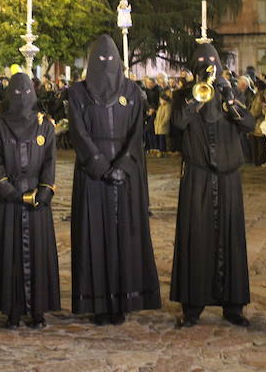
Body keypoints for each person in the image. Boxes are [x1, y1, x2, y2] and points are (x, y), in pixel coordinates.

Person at [67, 35, 160, 325]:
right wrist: (98, 164)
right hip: (92, 175)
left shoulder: (132, 91)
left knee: (125, 235)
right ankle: (97, 303)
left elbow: (137, 133)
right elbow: (78, 132)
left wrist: (123, 165)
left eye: (110, 59)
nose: (106, 65)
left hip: (125, 175)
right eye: (101, 60)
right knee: (94, 235)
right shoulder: (78, 93)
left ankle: (123, 300)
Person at [170, 43, 255, 328]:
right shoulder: (183, 95)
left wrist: (230, 99)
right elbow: (178, 124)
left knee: (231, 239)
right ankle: (192, 307)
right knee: (196, 238)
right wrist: (196, 99)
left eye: (212, 62)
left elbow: (248, 124)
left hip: (228, 176)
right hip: (197, 176)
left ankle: (234, 306)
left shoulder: (232, 93)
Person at [0, 73, 60, 329]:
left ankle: (38, 309)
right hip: (8, 201)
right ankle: (12, 309)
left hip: (37, 200)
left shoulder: (45, 126)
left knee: (38, 253)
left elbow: (50, 161)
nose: (22, 99)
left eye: (26, 93)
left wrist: (45, 191)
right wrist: (11, 192)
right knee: (9, 253)